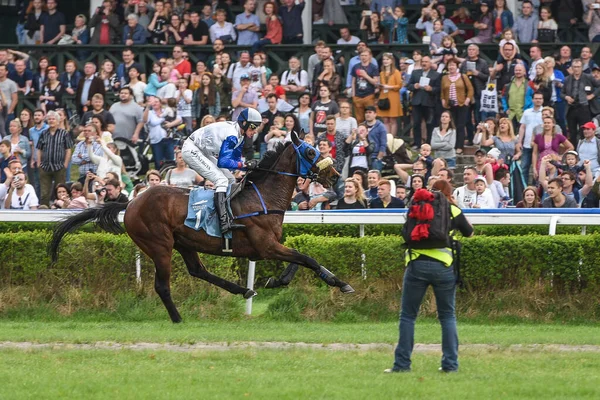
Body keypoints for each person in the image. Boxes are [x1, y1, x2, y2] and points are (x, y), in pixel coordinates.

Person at [386, 179, 473, 373]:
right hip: (444, 267)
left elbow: (405, 233)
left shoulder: (415, 207)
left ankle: (401, 365)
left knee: (408, 316)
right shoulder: (452, 209)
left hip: (416, 265)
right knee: (447, 316)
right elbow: (468, 232)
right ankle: (450, 366)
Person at [182, 108, 262, 234]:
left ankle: (230, 214)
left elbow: (235, 160)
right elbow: (223, 162)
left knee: (230, 179)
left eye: (257, 127)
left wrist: (247, 166)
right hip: (192, 149)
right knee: (221, 180)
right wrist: (245, 164)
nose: (255, 130)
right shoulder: (232, 135)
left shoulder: (240, 136)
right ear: (244, 124)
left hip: (203, 151)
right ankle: (223, 222)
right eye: (253, 127)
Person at [36, 110, 73, 206]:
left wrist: (65, 164)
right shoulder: (43, 134)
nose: (51, 121)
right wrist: (39, 163)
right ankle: (44, 211)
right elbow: (39, 149)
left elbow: (68, 150)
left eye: (53, 119)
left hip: (59, 167)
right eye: (49, 119)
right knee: (44, 193)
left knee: (61, 191)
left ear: (58, 121)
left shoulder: (64, 134)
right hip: (45, 167)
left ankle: (59, 209)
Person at [441, 58, 474, 154]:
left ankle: (459, 146)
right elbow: (442, 91)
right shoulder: (444, 78)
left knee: (460, 125)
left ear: (457, 66)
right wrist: (443, 100)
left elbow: (470, 89)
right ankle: (451, 145)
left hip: (461, 105)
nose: (451, 67)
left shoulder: (463, 76)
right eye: (449, 65)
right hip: (450, 105)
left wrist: (467, 100)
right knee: (451, 126)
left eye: (453, 65)